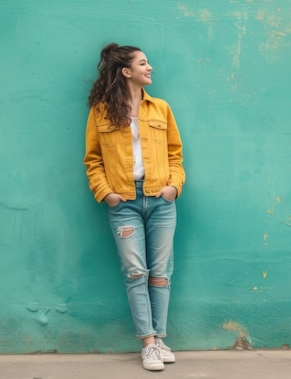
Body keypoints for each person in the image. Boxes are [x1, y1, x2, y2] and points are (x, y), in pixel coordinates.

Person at [83, 44, 185, 371]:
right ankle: (148, 343)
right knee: (135, 272)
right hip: (123, 202)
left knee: (161, 274)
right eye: (143, 63)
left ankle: (160, 338)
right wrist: (107, 193)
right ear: (127, 71)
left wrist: (173, 187)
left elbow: (175, 155)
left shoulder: (161, 109)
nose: (150, 67)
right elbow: (93, 160)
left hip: (161, 199)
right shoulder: (101, 112)